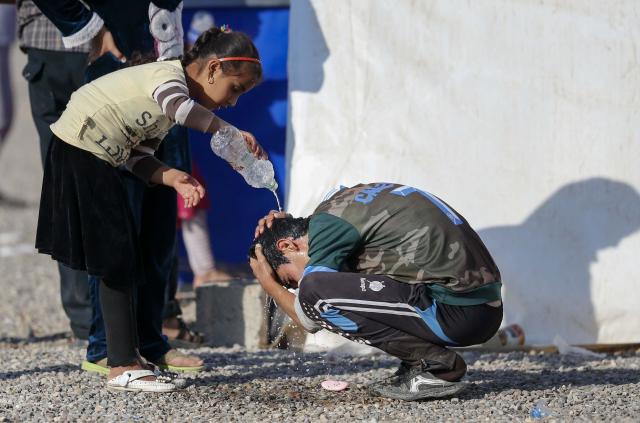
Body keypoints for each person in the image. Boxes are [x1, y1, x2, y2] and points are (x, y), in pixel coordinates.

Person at [36, 26, 265, 392]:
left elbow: (137, 157)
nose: (231, 103)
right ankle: (121, 365)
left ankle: (129, 355)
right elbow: (180, 107)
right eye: (235, 89)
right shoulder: (167, 77)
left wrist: (172, 176)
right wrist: (229, 132)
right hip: (80, 150)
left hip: (98, 157)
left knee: (122, 257)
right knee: (114, 258)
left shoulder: (170, 103)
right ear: (213, 69)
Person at [31, 0, 202, 374]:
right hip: (116, 61)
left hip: (166, 65)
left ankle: (151, 337)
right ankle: (108, 345)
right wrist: (89, 27)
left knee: (159, 221)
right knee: (115, 226)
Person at [250, 182, 503, 401]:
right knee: (331, 280)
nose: (295, 285)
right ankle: (423, 362)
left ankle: (437, 368)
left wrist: (269, 284)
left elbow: (308, 315)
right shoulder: (336, 204)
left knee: (315, 291)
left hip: (462, 314)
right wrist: (282, 227)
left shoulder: (326, 229)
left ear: (288, 245)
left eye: (289, 280)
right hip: (476, 304)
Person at [16, 0, 93, 340]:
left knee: (63, 185)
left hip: (45, 43)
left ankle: (84, 315)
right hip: (101, 40)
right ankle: (123, 314)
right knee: (117, 179)